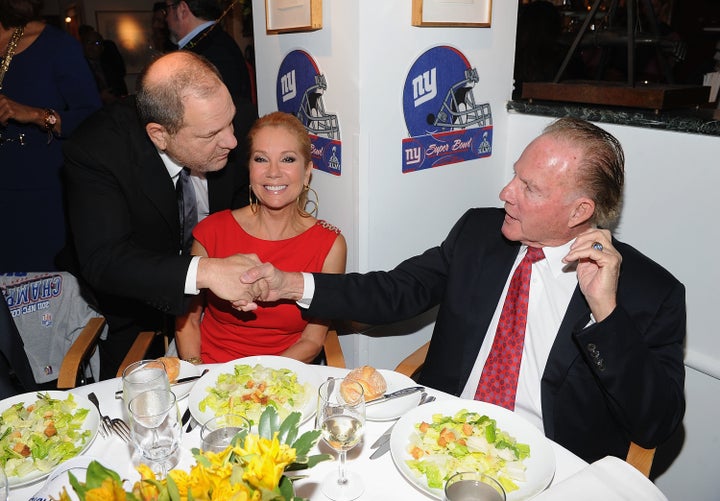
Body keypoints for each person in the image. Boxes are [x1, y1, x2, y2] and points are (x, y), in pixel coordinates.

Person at [238, 117, 686, 465]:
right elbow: (395, 290)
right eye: (515, 175)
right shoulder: (479, 233)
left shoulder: (649, 292)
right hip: (436, 434)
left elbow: (655, 425)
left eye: (528, 188)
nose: (505, 192)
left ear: (579, 211)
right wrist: (288, 283)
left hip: (545, 464)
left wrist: (606, 314)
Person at [62, 51, 254, 380]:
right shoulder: (97, 150)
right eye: (210, 135)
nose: (232, 141)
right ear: (159, 135)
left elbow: (242, 211)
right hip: (134, 307)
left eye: (231, 121)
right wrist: (204, 272)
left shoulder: (223, 116)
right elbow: (105, 260)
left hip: (221, 309)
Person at [175, 112, 346, 364]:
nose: (273, 172)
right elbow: (187, 319)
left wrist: (259, 381)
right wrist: (197, 373)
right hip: (210, 373)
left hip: (284, 375)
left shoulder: (330, 245)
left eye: (287, 159)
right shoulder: (212, 231)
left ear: (307, 170)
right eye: (261, 159)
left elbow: (312, 340)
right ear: (250, 169)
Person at [0, 0, 101, 272]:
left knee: (35, 296)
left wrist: (35, 115)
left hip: (34, 196)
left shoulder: (55, 46)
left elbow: (92, 119)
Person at [163, 0, 257, 160]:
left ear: (181, 9)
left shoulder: (206, 52)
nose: (165, 19)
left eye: (167, 10)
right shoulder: (216, 41)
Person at [79, 25, 128, 105]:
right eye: (88, 42)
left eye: (96, 43)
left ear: (102, 48)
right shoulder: (78, 69)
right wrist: (99, 97)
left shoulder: (112, 67)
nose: (92, 46)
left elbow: (121, 90)